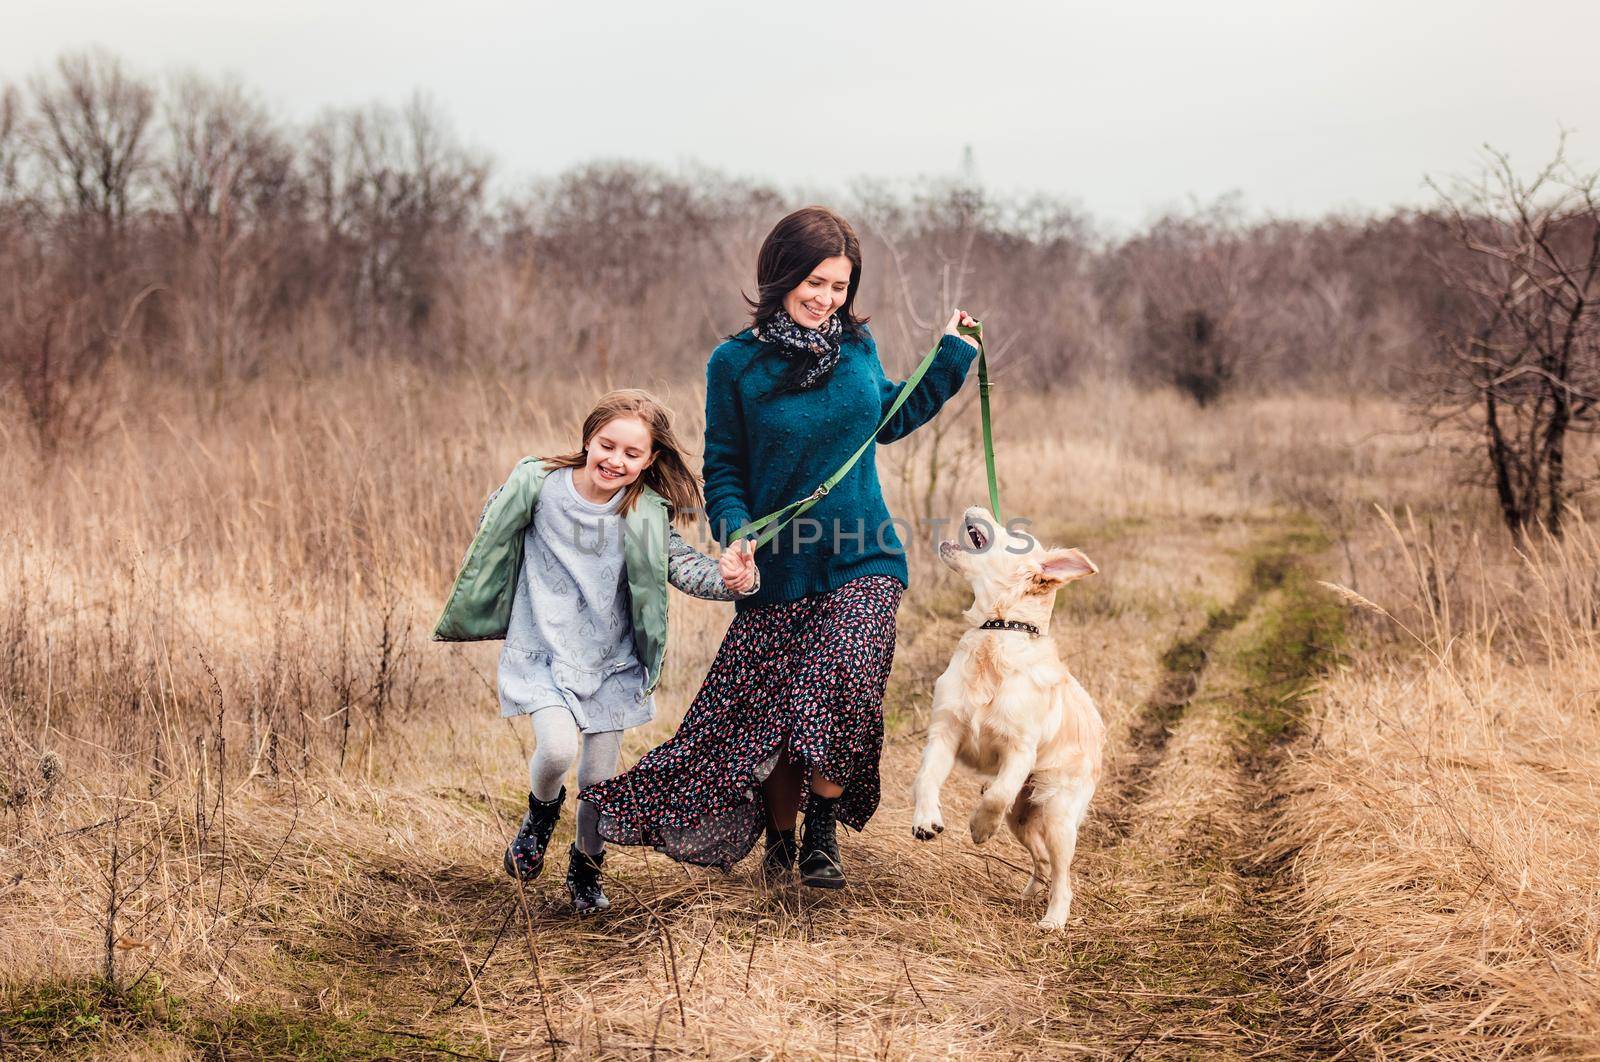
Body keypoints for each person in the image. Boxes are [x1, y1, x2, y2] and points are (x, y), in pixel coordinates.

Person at [581, 206, 980, 888]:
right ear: (782, 274)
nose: (826, 298)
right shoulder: (734, 363)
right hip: (776, 570)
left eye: (839, 287)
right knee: (772, 713)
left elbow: (887, 418)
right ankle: (782, 838)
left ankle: (824, 833)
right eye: (816, 282)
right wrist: (736, 539)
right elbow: (726, 467)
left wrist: (952, 358)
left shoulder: (857, 348)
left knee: (844, 681)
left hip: (863, 556)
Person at [432, 389, 759, 914]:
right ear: (589, 439)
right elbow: (493, 529)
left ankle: (586, 869)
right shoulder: (539, 486)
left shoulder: (647, 514)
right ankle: (540, 814)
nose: (616, 460)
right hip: (543, 651)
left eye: (633, 454)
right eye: (608, 446)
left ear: (650, 460)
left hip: (612, 662)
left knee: (598, 782)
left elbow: (687, 568)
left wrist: (733, 578)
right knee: (559, 751)